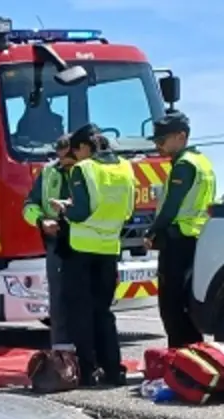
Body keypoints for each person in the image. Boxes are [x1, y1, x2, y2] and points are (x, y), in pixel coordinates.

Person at [51, 124, 136, 387]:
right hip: (110, 249)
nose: (76, 158)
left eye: (76, 152)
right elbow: (128, 211)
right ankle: (114, 370)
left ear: (85, 147)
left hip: (81, 250)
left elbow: (81, 213)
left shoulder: (83, 169)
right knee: (104, 312)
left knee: (80, 313)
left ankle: (88, 371)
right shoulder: (126, 167)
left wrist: (63, 209)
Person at [145, 111, 216, 348]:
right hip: (198, 238)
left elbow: (171, 207)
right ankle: (195, 357)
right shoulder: (202, 161)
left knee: (172, 306)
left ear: (180, 136)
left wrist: (152, 232)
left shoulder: (184, 165)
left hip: (178, 240)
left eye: (161, 140)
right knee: (189, 303)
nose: (158, 146)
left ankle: (179, 357)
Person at [22, 134, 76, 352]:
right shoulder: (48, 172)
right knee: (59, 302)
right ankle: (61, 355)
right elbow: (29, 205)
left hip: (82, 244)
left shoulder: (87, 171)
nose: (62, 163)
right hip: (56, 244)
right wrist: (40, 220)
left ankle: (86, 356)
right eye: (59, 158)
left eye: (67, 159)